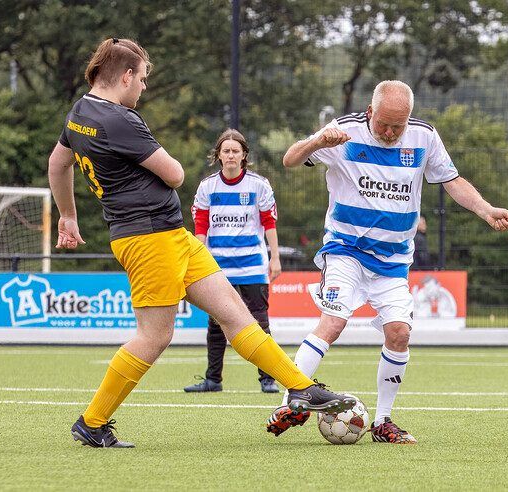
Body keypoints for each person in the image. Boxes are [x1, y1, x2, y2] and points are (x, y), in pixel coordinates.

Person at [47, 37, 355, 448]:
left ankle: (300, 387)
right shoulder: (120, 119)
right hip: (148, 238)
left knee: (235, 314)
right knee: (154, 336)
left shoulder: (80, 111)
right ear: (124, 76)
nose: (143, 87)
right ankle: (92, 421)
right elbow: (174, 174)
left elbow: (57, 163)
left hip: (171, 235)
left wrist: (68, 214)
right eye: (140, 79)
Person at [266, 80, 508, 444]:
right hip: (346, 251)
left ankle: (382, 422)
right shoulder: (346, 132)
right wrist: (318, 141)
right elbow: (290, 159)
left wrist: (486, 209)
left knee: (399, 333)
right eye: (383, 124)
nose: (389, 132)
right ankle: (292, 398)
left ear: (409, 119)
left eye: (397, 126)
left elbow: (452, 180)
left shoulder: (424, 137)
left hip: (393, 262)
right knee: (333, 321)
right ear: (370, 112)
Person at [183, 129, 281, 394]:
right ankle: (213, 380)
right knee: (216, 323)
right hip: (217, 268)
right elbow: (200, 226)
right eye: (225, 151)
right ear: (218, 155)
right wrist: (198, 260)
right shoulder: (207, 187)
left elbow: (268, 222)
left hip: (252, 266)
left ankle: (268, 378)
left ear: (244, 155)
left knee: (260, 323)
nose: (230, 155)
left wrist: (275, 258)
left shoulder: (259, 185)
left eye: (235, 151)